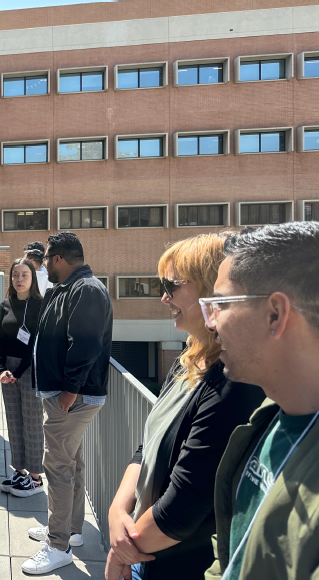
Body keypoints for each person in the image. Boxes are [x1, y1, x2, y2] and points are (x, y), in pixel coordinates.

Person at [104, 234, 265, 580]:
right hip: (142, 547)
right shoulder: (188, 359)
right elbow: (148, 445)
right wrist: (117, 510)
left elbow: (185, 504)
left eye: (171, 285)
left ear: (211, 288)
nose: (164, 297)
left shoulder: (233, 382)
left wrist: (122, 550)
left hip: (172, 563)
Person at [201, 222, 319, 580]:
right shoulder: (271, 414)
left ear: (275, 314)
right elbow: (232, 551)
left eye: (221, 303)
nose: (212, 322)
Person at [22, 232, 112, 575]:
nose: (44, 265)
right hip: (66, 396)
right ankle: (70, 530)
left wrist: (69, 391)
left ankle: (57, 545)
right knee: (70, 461)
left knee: (57, 465)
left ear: (59, 258)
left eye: (46, 259)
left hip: (73, 398)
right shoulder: (68, 288)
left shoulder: (86, 289)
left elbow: (85, 344)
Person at [0, 258, 45, 497]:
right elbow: (0, 340)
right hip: (9, 371)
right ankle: (20, 471)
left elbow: (34, 344)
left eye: (24, 274)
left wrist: (16, 373)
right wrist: (2, 369)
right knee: (14, 421)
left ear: (32, 277)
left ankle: (36, 478)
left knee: (32, 421)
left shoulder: (40, 304)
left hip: (30, 369)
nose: (19, 279)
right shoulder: (6, 304)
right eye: (15, 274)